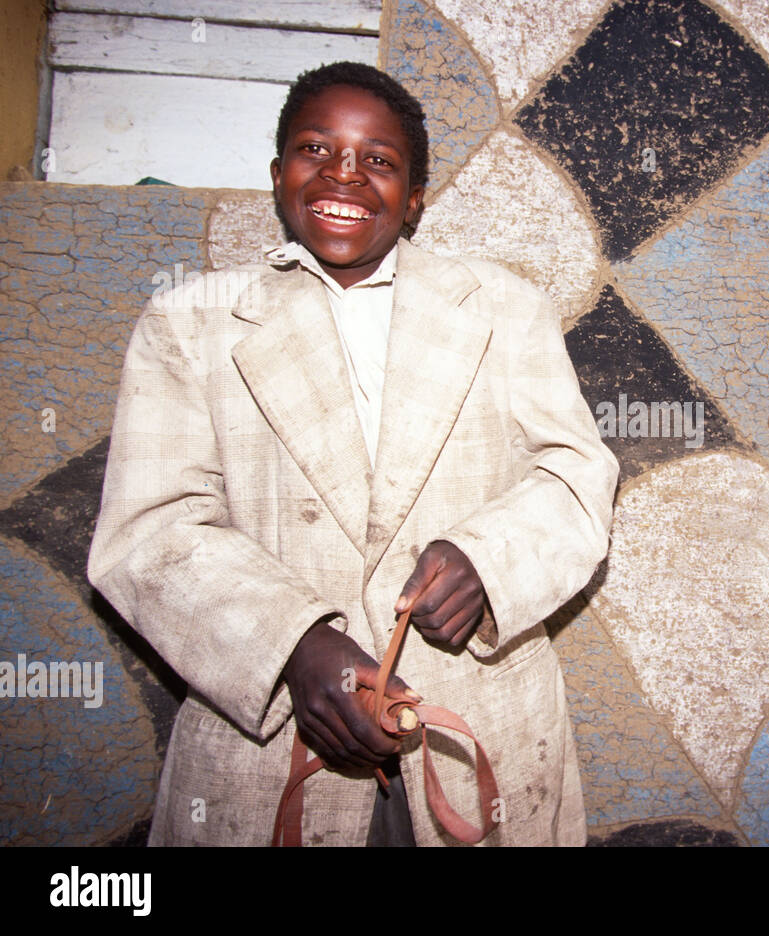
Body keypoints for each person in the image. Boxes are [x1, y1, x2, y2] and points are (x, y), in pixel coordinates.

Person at [87, 62, 618, 846]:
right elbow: (151, 532)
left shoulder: (505, 308)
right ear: (278, 177)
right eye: (315, 148)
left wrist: (486, 560)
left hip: (477, 727)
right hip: (266, 745)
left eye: (379, 159)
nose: (345, 173)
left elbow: (576, 476)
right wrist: (291, 642)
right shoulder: (191, 324)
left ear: (414, 199)